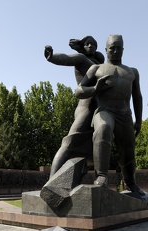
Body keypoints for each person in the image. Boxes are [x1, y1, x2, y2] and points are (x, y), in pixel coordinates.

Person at [75, 34, 144, 195]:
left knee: (128, 148)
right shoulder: (96, 69)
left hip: (125, 115)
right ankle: (101, 176)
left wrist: (139, 120)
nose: (115, 51)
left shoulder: (132, 72)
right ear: (106, 49)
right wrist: (95, 89)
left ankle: (131, 182)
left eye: (118, 48)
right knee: (103, 129)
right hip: (104, 111)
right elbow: (79, 91)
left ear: (123, 50)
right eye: (112, 47)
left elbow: (138, 97)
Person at [44, 36, 104, 177]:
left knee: (99, 144)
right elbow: (66, 58)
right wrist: (52, 57)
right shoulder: (81, 59)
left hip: (99, 108)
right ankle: (52, 179)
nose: (91, 46)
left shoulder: (100, 63)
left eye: (93, 44)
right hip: (86, 105)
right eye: (87, 44)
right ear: (83, 47)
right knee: (70, 142)